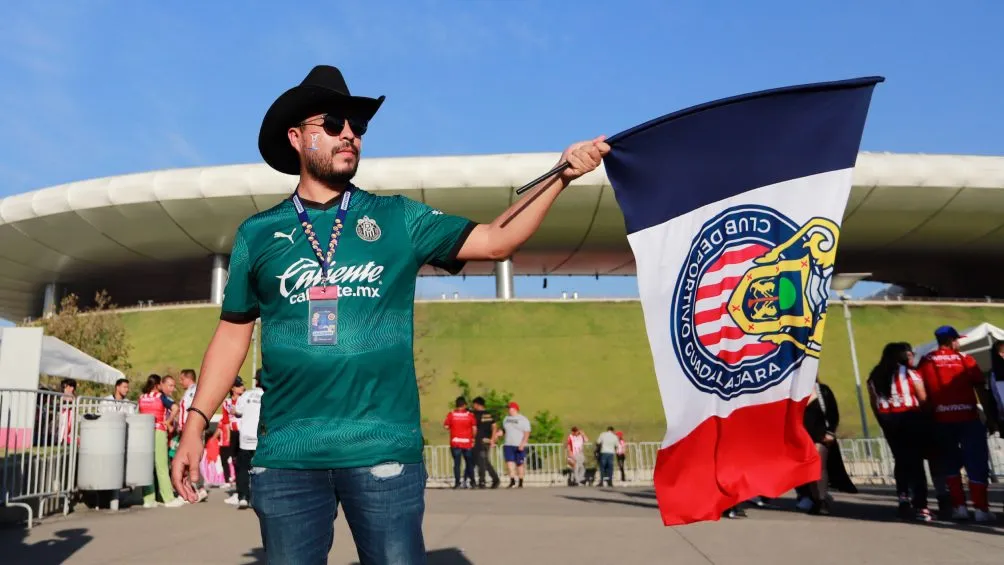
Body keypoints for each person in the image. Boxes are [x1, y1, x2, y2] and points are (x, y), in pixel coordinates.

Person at [170, 64, 609, 564]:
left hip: (382, 451)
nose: (349, 135)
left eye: (357, 127)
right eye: (333, 124)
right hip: (289, 455)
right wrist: (194, 425)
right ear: (296, 137)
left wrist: (561, 177)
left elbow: (496, 238)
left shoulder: (399, 218)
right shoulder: (259, 234)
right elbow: (233, 334)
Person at [917, 325, 997, 522]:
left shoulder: (926, 361)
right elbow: (980, 389)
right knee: (976, 463)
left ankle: (959, 508)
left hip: (940, 420)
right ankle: (981, 510)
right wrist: (990, 417)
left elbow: (921, 392)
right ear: (953, 340)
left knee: (950, 465)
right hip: (968, 418)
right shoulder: (965, 359)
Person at [866, 342, 931, 521]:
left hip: (888, 420)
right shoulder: (910, 373)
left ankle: (903, 498)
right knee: (916, 462)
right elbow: (922, 397)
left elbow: (874, 403)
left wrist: (882, 421)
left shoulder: (874, 376)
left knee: (901, 460)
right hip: (910, 417)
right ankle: (921, 505)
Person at [138, 374, 185, 508]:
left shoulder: (142, 397)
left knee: (147, 466)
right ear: (158, 385)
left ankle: (148, 499)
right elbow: (175, 408)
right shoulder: (161, 397)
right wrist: (168, 421)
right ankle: (168, 498)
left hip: (144, 432)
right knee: (162, 465)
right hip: (158, 430)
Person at [234, 370, 264, 509]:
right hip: (261, 439)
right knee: (262, 470)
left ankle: (243, 497)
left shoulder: (245, 395)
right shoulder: (268, 396)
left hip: (245, 438)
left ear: (256, 381)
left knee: (243, 469)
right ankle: (259, 497)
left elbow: (237, 412)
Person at [443, 396, 477, 489]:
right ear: (464, 405)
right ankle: (473, 482)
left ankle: (457, 483)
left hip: (455, 442)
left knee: (457, 464)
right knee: (469, 463)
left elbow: (446, 426)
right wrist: (473, 438)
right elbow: (474, 428)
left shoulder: (451, 414)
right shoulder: (469, 415)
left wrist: (453, 428)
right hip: (467, 442)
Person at [470, 397, 500, 489]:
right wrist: (492, 439)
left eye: (474, 404)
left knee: (481, 462)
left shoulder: (475, 414)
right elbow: (494, 426)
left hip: (479, 441)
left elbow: (473, 427)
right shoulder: (489, 414)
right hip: (487, 440)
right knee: (484, 461)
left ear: (478, 404)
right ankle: (494, 479)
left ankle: (483, 481)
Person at [502, 402, 532, 489]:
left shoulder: (523, 419)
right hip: (508, 444)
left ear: (515, 409)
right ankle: (512, 480)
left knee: (519, 464)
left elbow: (527, 433)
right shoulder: (506, 419)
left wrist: (523, 443)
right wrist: (499, 433)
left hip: (518, 444)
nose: (508, 410)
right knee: (509, 462)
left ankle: (521, 481)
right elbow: (504, 430)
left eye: (510, 408)